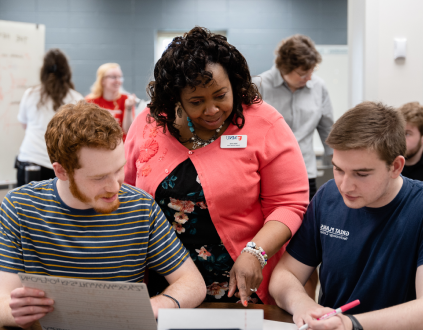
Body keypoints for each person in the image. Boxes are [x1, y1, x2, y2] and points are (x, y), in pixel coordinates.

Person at [124, 27, 309, 306]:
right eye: (197, 102)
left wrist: (255, 252)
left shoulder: (264, 123)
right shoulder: (149, 124)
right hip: (165, 285)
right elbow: (126, 194)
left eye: (221, 95)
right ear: (176, 99)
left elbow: (290, 203)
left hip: (239, 283)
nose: (212, 110)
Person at [0, 101, 205, 329]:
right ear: (61, 171)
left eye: (119, 169)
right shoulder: (19, 207)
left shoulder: (140, 207)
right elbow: (0, 305)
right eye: (99, 177)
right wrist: (16, 311)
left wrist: (154, 307)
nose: (114, 186)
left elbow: (192, 283)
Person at [269, 101, 423, 330]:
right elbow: (285, 274)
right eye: (338, 169)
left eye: (361, 174)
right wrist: (302, 304)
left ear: (396, 167)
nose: (345, 186)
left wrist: (351, 325)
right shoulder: (328, 196)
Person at [253, 34, 334, 200]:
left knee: (306, 222)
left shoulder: (318, 87)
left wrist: (338, 162)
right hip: (268, 171)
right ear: (284, 68)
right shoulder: (259, 86)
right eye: (303, 73)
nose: (309, 77)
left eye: (312, 70)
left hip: (305, 171)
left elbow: (327, 127)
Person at [15, 48, 83, 187]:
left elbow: (24, 125)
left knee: (26, 207)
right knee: (57, 209)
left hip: (30, 161)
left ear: (43, 71)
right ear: (67, 72)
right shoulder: (77, 99)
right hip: (60, 167)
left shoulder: (30, 94)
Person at [85, 63, 141, 140]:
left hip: (120, 146)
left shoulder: (126, 100)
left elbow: (128, 130)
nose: (118, 81)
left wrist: (128, 108)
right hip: (98, 145)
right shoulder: (90, 101)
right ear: (102, 80)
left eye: (120, 77)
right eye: (113, 77)